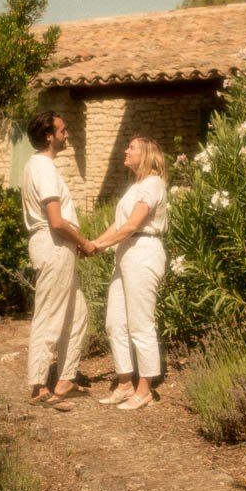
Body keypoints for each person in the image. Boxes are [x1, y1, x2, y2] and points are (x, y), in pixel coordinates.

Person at [20, 110, 98, 411]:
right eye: (62, 130)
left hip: (57, 245)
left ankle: (65, 380)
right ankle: (39, 385)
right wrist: (83, 242)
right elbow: (55, 220)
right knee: (50, 314)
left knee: (77, 314)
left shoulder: (38, 166)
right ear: (48, 136)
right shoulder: (43, 168)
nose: (67, 135)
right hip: (53, 243)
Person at [91, 136, 169, 411]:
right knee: (115, 322)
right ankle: (125, 383)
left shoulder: (153, 184)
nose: (126, 150)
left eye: (132, 147)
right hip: (125, 253)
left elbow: (133, 224)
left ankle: (144, 389)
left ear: (146, 154)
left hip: (143, 252)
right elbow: (119, 224)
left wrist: (99, 245)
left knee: (140, 323)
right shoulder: (136, 186)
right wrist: (94, 244)